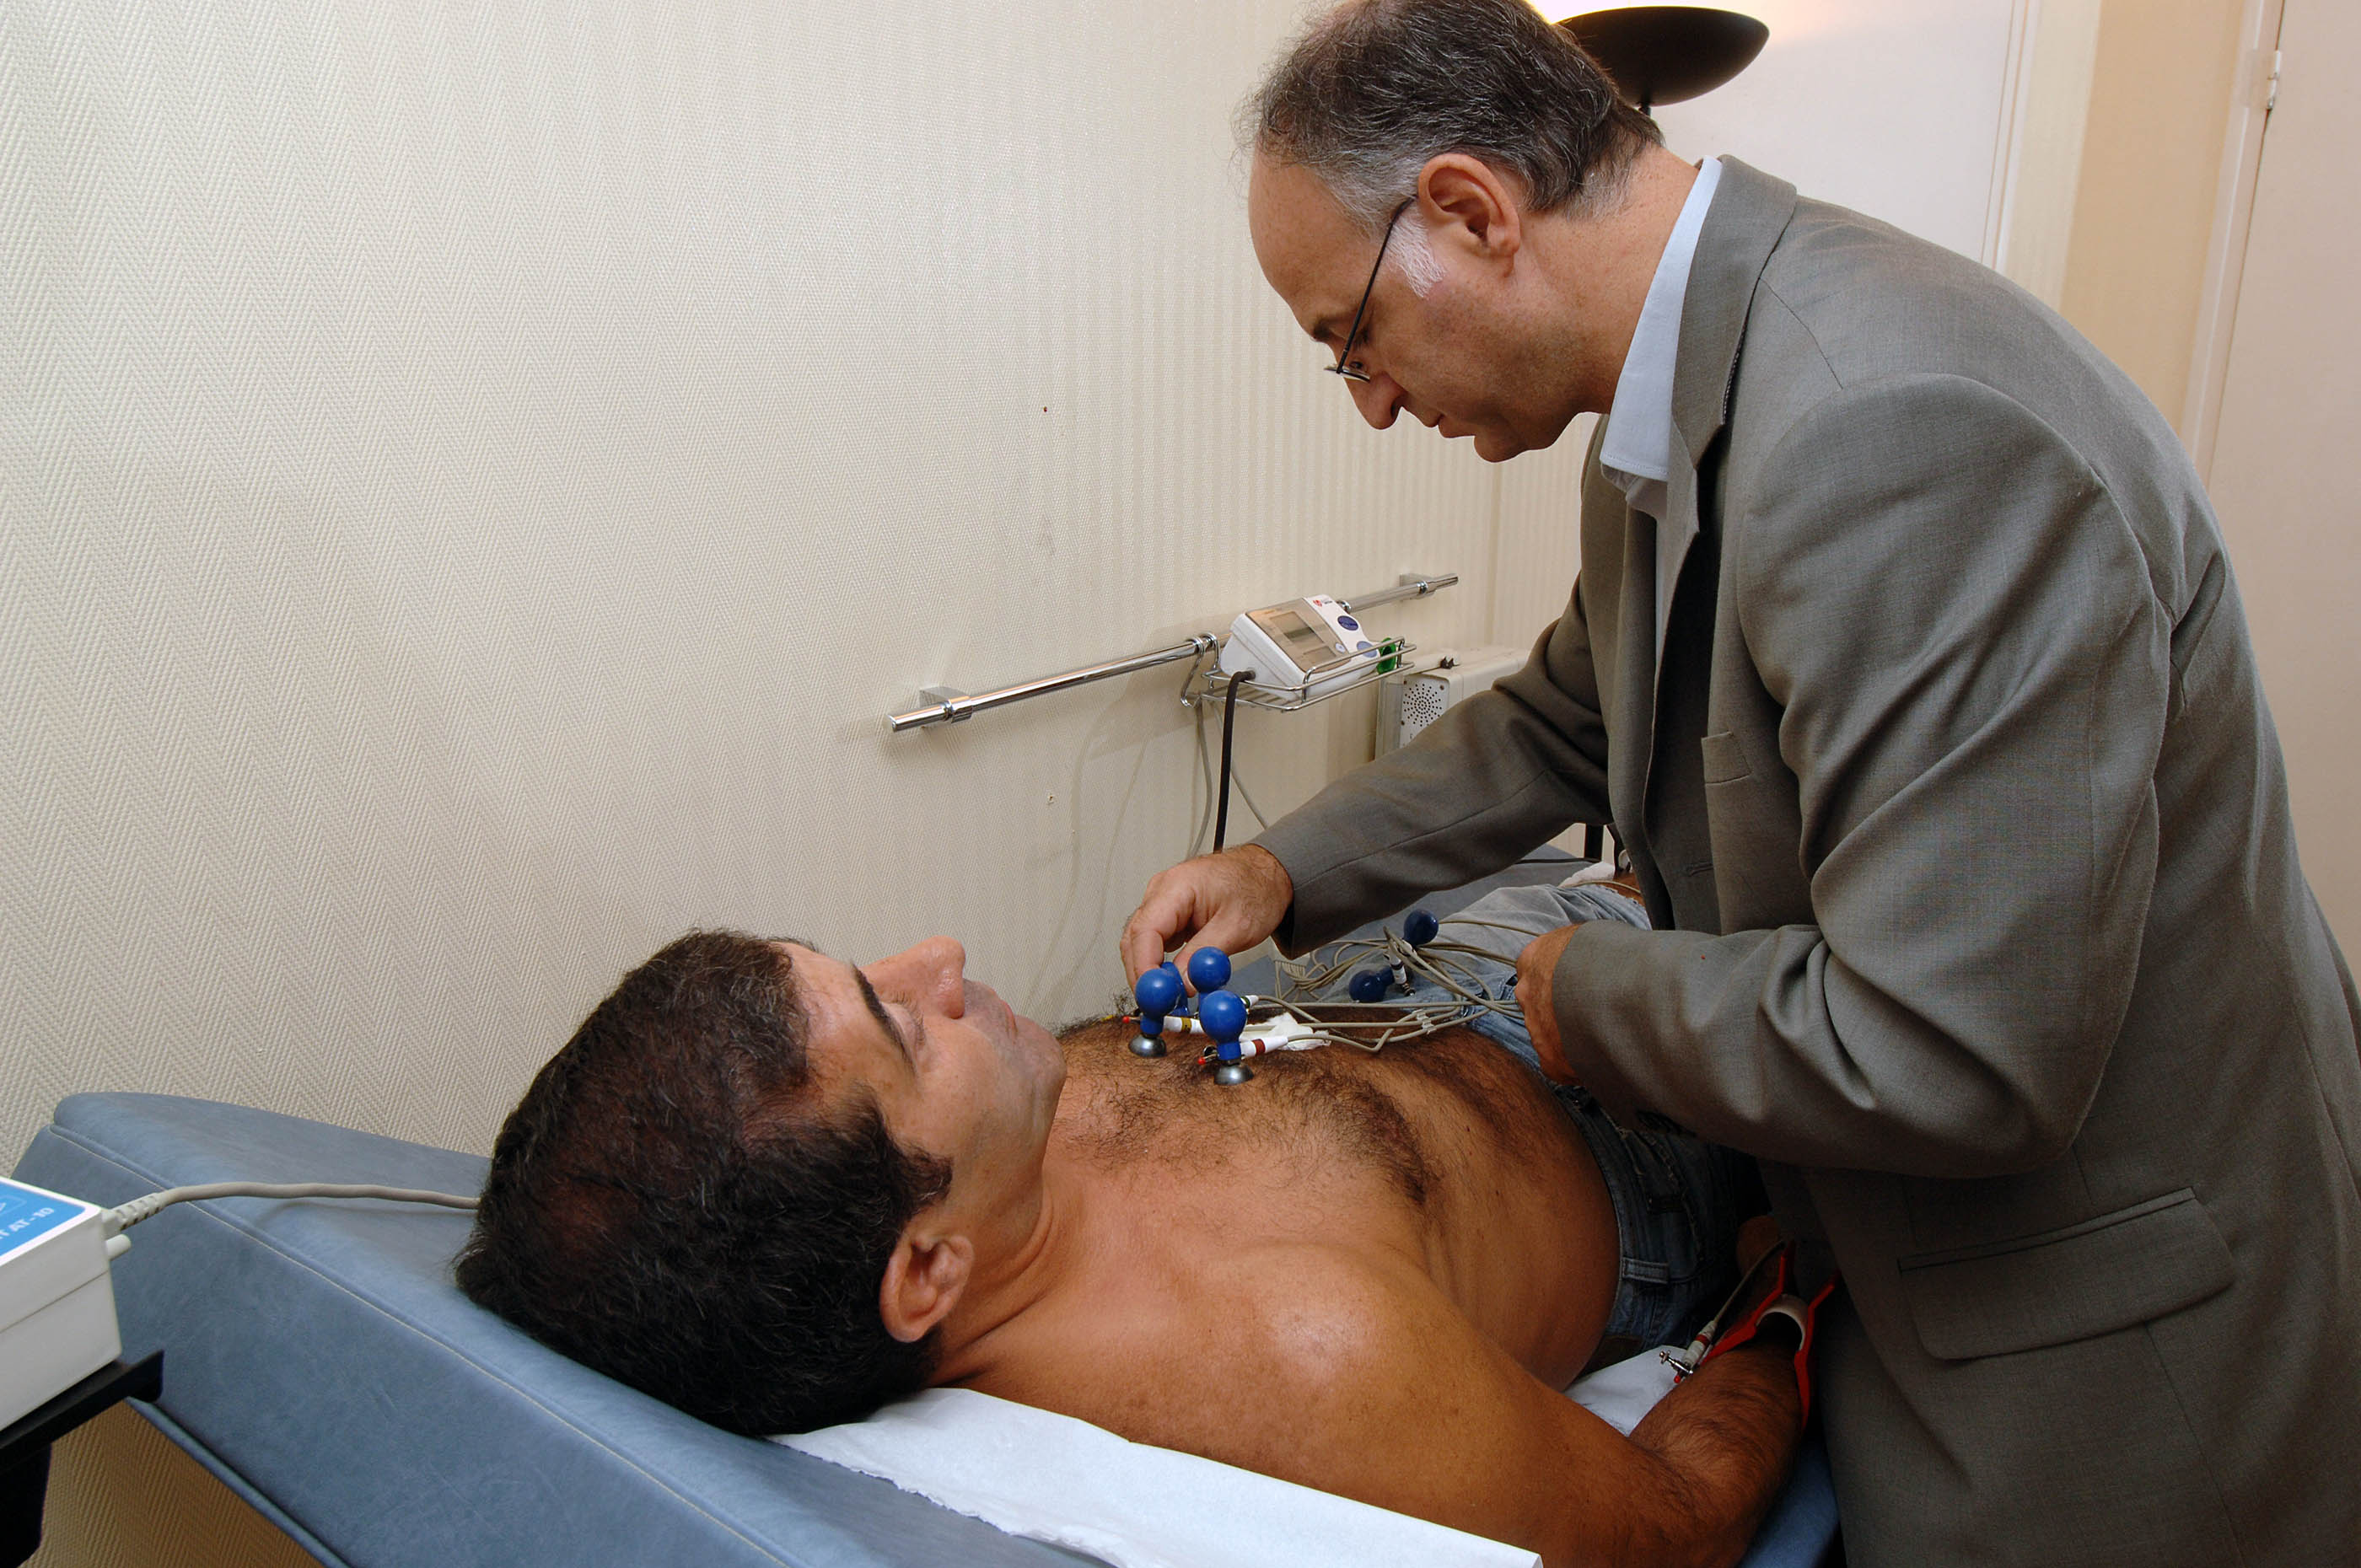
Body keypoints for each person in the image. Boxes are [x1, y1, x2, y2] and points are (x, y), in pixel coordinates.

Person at [1121, 2, 2361, 1563]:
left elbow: (1957, 1048)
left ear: (1471, 212)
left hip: (2111, 1351)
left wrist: (1587, 993)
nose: (1369, 400)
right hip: (1889, 1255)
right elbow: (1568, 716)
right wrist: (1285, 870)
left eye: (1352, 337)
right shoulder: (1662, 408)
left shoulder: (1893, 425)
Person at [456, 897, 1811, 1568]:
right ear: (925, 1270)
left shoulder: (967, 1186)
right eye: (902, 1024)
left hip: (1439, 963)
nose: (941, 963)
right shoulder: (1302, 1361)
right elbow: (1679, 1524)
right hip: (1639, 1122)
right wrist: (1795, 1296)